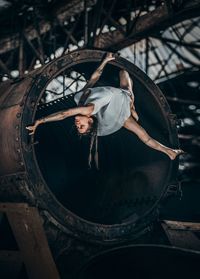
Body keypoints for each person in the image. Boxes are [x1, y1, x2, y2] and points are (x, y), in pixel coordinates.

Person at [26, 53, 184, 167]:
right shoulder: (86, 110)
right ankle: (170, 152)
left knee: (123, 78)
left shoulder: (80, 100)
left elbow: (93, 79)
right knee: (125, 79)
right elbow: (63, 114)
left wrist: (105, 61)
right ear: (89, 120)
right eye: (81, 126)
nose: (76, 123)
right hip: (122, 98)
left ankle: (167, 149)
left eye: (77, 127)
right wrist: (40, 121)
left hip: (112, 103)